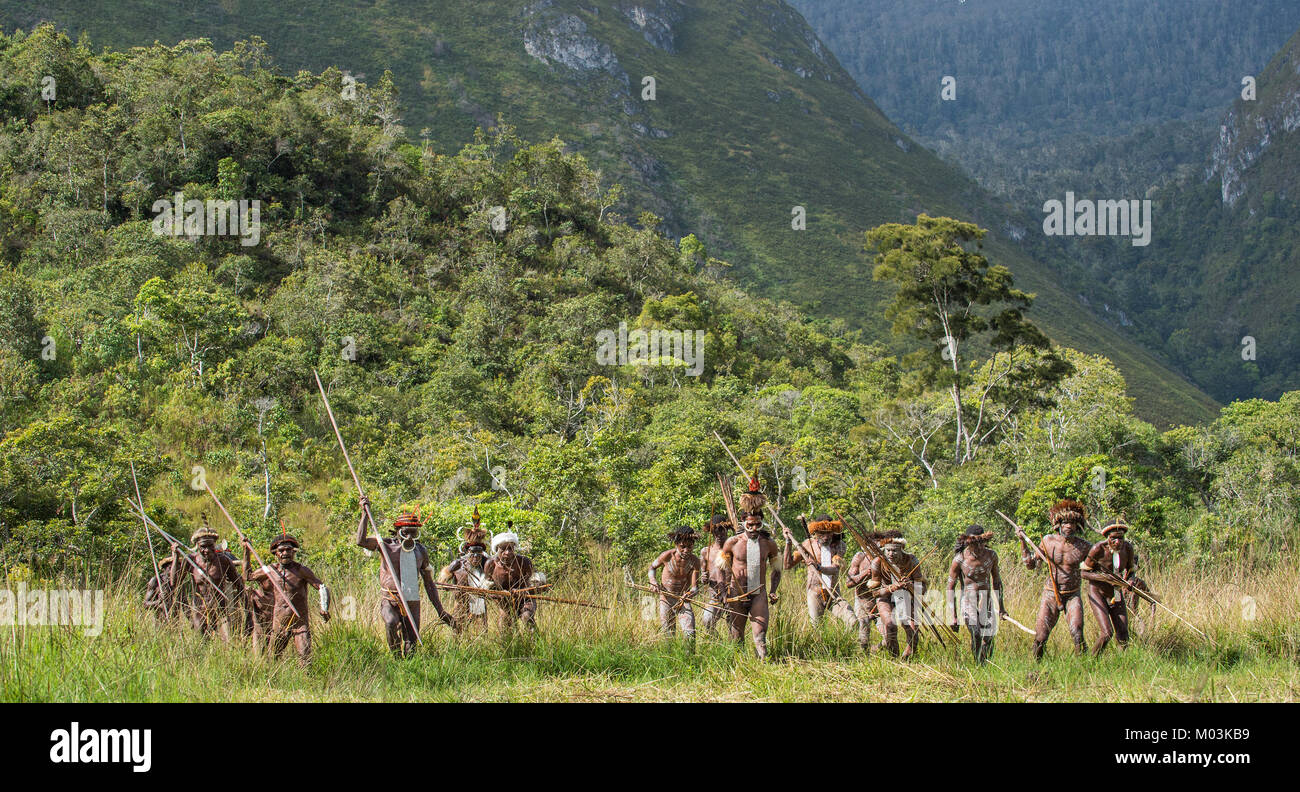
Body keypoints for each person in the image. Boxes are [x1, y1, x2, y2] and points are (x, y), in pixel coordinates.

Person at [355, 495, 455, 656]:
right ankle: (395, 659)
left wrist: (440, 610)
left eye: (413, 534)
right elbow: (361, 541)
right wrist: (365, 513)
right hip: (390, 598)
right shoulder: (385, 545)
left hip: (412, 599)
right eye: (405, 533)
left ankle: (407, 669)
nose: (409, 537)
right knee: (390, 622)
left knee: (411, 643)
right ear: (397, 531)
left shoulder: (420, 551)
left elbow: (429, 583)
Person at [716, 476, 781, 659]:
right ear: (744, 523)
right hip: (736, 593)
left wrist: (773, 590)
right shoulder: (733, 542)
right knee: (736, 636)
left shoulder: (768, 543)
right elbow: (721, 568)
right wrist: (723, 592)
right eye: (750, 525)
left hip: (758, 593)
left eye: (757, 525)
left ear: (762, 523)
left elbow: (776, 569)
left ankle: (763, 664)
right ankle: (738, 666)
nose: (753, 528)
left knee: (760, 635)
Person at [244, 530, 329, 666]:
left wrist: (324, 607)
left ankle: (308, 684)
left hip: (299, 622)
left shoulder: (301, 570)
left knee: (305, 658)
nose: (285, 553)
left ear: (294, 552)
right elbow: (247, 576)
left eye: (289, 550)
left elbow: (322, 587)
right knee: (273, 660)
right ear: (275, 553)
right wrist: (246, 551)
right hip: (279, 622)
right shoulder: (270, 570)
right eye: (281, 550)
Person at [1021, 499, 1093, 660]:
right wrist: (1022, 542)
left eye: (1073, 523)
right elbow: (1030, 564)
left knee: (1077, 632)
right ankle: (1035, 666)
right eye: (1065, 522)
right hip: (1050, 594)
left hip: (1072, 594)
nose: (1069, 526)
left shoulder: (1084, 546)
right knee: (1041, 636)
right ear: (1059, 524)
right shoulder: (1048, 541)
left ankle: (1084, 666)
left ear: (1078, 526)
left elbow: (1096, 568)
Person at [170, 517, 244, 641]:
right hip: (200, 611)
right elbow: (174, 582)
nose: (207, 550)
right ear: (197, 546)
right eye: (203, 547)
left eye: (210, 546)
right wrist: (175, 557)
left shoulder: (223, 561)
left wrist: (246, 611)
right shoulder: (191, 560)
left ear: (215, 544)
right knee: (202, 644)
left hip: (221, 611)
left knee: (228, 643)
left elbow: (239, 584)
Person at [946, 524, 1007, 663]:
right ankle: (979, 664)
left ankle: (985, 664)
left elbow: (997, 581)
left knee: (989, 636)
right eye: (975, 544)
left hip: (986, 600)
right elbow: (950, 587)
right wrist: (953, 616)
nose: (979, 547)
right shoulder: (959, 559)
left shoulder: (991, 556)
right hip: (968, 601)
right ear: (968, 543)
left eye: (982, 543)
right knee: (976, 633)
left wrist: (1002, 608)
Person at [1081, 519, 1142, 655]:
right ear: (1107, 538)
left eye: (1120, 538)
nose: (1117, 542)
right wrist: (1104, 578)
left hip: (1116, 593)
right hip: (1098, 593)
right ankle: (1092, 660)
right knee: (1107, 632)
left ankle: (1122, 664)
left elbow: (1131, 570)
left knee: (1123, 634)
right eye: (1113, 538)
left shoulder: (1127, 548)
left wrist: (1130, 581)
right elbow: (1083, 573)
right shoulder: (1098, 549)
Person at [784, 514, 856, 628]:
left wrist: (818, 567)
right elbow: (788, 565)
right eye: (821, 533)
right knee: (817, 628)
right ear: (815, 533)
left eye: (828, 533)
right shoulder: (807, 544)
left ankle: (845, 644)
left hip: (834, 594)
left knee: (852, 620)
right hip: (814, 593)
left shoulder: (840, 546)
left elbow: (835, 569)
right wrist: (788, 542)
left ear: (833, 532)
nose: (826, 537)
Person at [867, 530, 926, 659]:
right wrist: (891, 588)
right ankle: (894, 659)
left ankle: (908, 658)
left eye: (894, 551)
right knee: (890, 625)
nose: (890, 554)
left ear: (901, 549)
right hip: (885, 597)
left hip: (906, 596)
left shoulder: (911, 560)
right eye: (888, 550)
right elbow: (875, 592)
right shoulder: (878, 562)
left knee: (912, 629)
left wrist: (911, 586)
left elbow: (923, 588)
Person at [439, 505, 493, 633]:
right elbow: (443, 583)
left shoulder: (487, 565)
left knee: (481, 633)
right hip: (461, 604)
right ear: (467, 551)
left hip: (480, 605)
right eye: (473, 552)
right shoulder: (458, 564)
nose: (475, 556)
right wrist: (447, 585)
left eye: (479, 552)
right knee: (458, 631)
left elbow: (495, 584)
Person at [484, 527, 545, 633]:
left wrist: (526, 591)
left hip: (526, 599)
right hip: (505, 602)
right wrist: (500, 594)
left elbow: (537, 583)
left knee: (527, 617)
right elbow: (487, 588)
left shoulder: (524, 562)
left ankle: (537, 645)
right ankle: (509, 649)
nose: (507, 552)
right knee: (504, 626)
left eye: (510, 549)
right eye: (503, 549)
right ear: (497, 549)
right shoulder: (491, 564)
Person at [648, 526, 701, 640]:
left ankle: (690, 657)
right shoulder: (667, 556)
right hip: (666, 598)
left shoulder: (695, 562)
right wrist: (653, 581)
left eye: (689, 547)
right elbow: (652, 568)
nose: (686, 550)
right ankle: (669, 656)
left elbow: (695, 587)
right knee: (668, 635)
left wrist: (690, 593)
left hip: (682, 600)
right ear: (676, 544)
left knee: (690, 633)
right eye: (682, 547)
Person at [697, 513, 733, 634]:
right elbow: (703, 576)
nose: (719, 535)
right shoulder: (706, 551)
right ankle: (717, 643)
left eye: (722, 532)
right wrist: (704, 578)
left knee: (732, 625)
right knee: (707, 621)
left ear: (727, 531)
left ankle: (735, 648)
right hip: (715, 593)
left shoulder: (733, 549)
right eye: (716, 532)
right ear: (712, 533)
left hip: (732, 592)